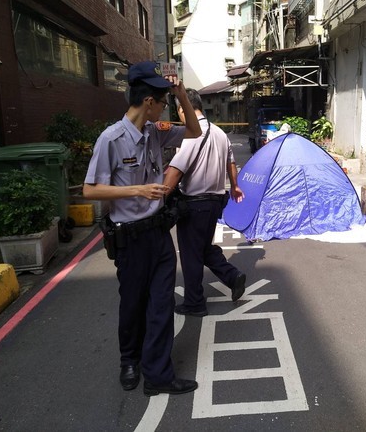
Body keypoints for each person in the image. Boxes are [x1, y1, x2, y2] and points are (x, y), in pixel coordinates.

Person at [82, 61, 201, 397]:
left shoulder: (156, 130)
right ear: (148, 101)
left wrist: (180, 96)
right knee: (133, 304)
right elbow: (90, 189)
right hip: (130, 239)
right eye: (163, 100)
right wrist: (136, 190)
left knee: (161, 305)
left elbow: (194, 131)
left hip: (159, 235)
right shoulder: (111, 140)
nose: (165, 106)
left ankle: (158, 375)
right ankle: (129, 360)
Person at [163, 88, 246, 317]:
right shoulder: (220, 133)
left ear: (183, 110)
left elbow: (176, 168)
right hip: (216, 201)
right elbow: (231, 162)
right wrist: (235, 185)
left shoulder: (192, 133)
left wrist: (160, 196)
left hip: (194, 203)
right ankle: (232, 276)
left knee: (191, 254)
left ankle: (194, 303)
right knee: (202, 247)